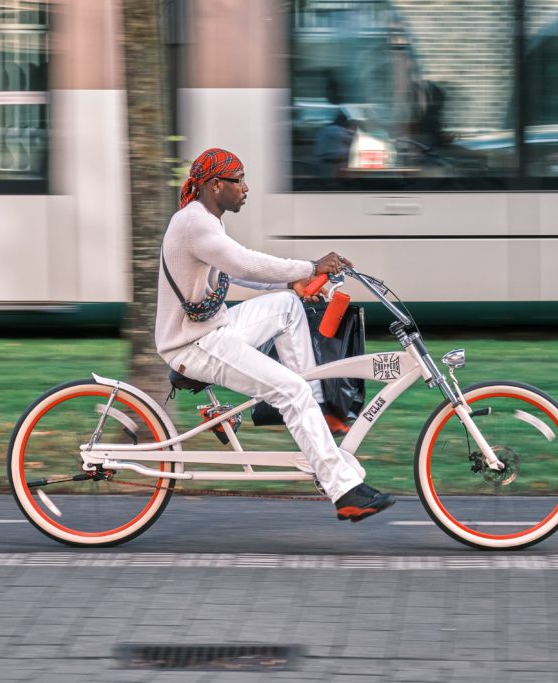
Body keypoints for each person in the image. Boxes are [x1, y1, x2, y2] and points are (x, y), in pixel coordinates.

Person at [155, 147, 396, 522]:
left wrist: (294, 280)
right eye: (239, 180)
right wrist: (310, 265)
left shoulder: (204, 220)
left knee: (287, 306)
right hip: (194, 344)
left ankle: (319, 415)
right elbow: (241, 261)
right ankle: (343, 490)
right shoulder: (194, 223)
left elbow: (234, 272)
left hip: (213, 329)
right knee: (290, 390)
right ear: (216, 185)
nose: (246, 188)